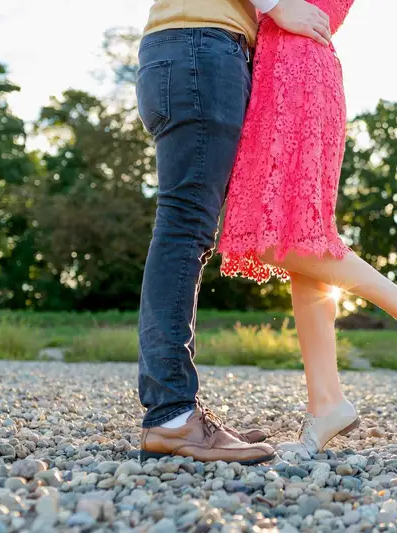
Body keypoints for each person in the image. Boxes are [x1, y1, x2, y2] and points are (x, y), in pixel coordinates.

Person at [218, 0, 397, 458]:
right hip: (284, 72)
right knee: (300, 245)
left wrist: (274, 5)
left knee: (283, 241)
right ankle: (326, 402)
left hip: (297, 74)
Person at [135, 0, 334, 464]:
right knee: (184, 228)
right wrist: (278, 6)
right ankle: (172, 416)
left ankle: (174, 411)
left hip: (181, 51)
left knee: (184, 227)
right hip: (202, 48)